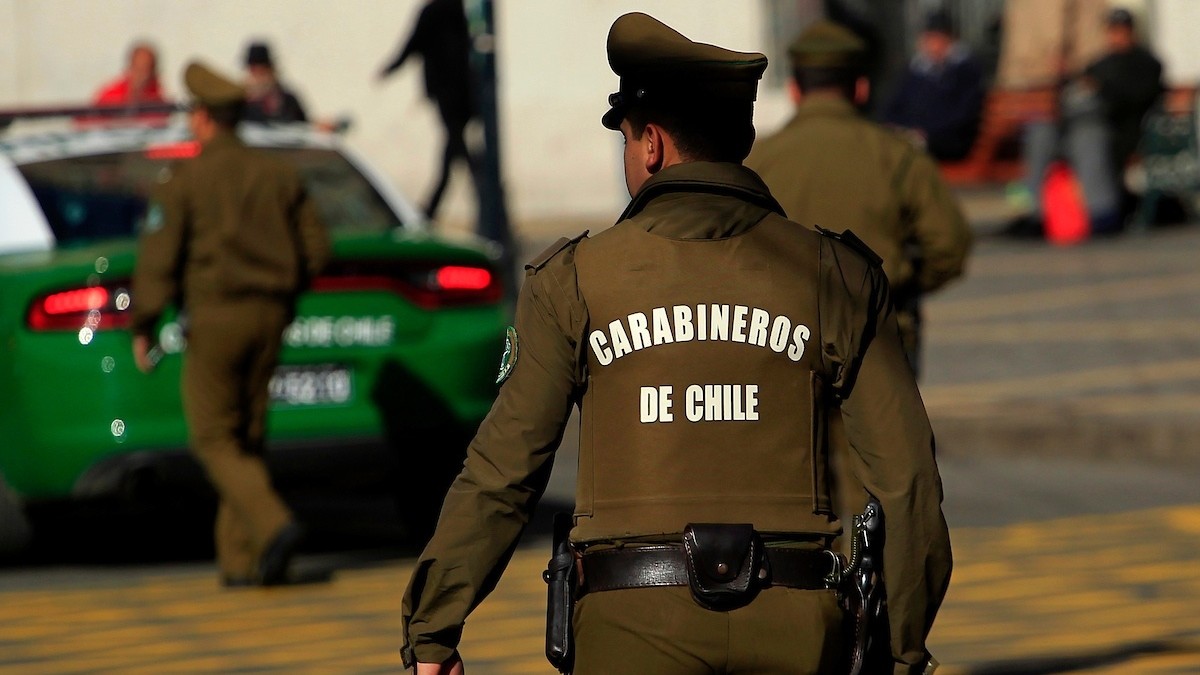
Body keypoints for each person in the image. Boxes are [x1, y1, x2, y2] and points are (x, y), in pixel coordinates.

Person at [401, 12, 951, 675]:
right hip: (799, 627)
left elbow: (502, 473)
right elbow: (909, 478)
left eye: (628, 139)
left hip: (628, 629)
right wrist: (903, 644)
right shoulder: (837, 274)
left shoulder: (571, 281)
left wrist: (433, 627)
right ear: (742, 137)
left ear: (652, 146)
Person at [130, 61, 330, 587]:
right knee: (246, 434)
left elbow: (159, 258)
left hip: (216, 316)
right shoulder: (278, 174)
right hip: (270, 315)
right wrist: (286, 293)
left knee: (213, 439)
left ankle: (273, 525)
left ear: (201, 118)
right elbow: (317, 246)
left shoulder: (186, 179)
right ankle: (240, 560)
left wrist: (143, 323)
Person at [747, 20, 972, 375]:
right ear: (862, 89)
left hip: (783, 341)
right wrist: (900, 286)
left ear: (793, 89)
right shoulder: (899, 156)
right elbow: (948, 246)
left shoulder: (757, 161)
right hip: (881, 339)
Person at [1009, 7, 1164, 238]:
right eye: (1113, 30)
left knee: (1088, 138)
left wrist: (1100, 90)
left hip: (1122, 130)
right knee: (1040, 133)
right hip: (1080, 124)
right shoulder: (1100, 63)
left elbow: (1135, 98)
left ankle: (1101, 212)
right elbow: (1077, 90)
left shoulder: (1146, 63)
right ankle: (1036, 213)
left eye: (1122, 30)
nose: (1117, 36)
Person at [378, 0, 479, 220]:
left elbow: (412, 44)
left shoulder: (433, 12)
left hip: (446, 91)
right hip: (463, 92)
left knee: (455, 146)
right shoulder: (457, 9)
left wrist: (390, 68)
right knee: (455, 146)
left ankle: (434, 208)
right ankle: (438, 206)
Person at [883, 10, 986, 161]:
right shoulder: (915, 70)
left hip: (949, 141)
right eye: (929, 38)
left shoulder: (965, 71)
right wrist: (901, 128)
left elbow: (962, 115)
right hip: (915, 136)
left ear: (950, 40)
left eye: (937, 38)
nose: (932, 44)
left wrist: (924, 132)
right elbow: (892, 107)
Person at [242, 42, 309, 123]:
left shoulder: (288, 100)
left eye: (262, 71)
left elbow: (304, 126)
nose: (258, 77)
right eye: (254, 71)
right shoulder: (241, 103)